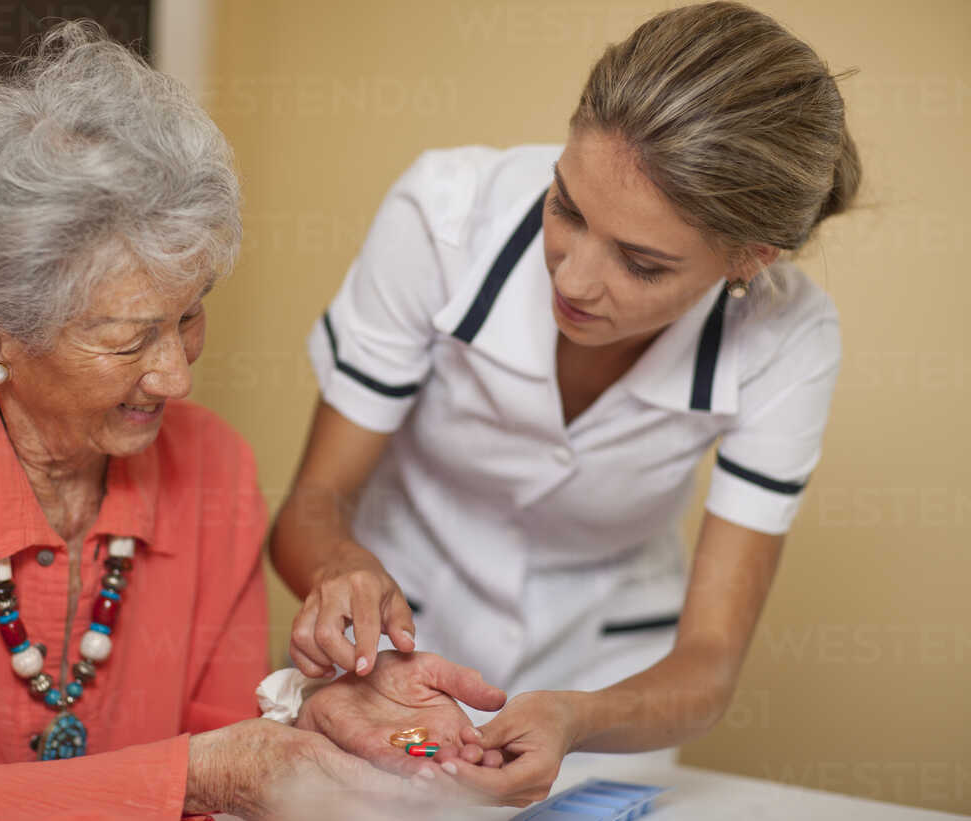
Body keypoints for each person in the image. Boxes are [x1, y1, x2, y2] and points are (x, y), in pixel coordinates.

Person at [0, 21, 506, 820]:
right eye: (127, 339)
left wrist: (309, 715)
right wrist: (188, 776)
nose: (176, 375)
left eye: (189, 316)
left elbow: (227, 753)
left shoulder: (210, 465)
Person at [272, 1, 860, 805]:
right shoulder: (442, 220)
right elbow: (310, 507)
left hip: (613, 687)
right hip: (392, 661)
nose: (574, 279)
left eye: (642, 263)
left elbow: (709, 663)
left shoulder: (790, 338)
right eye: (567, 209)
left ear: (749, 258)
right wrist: (343, 572)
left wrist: (576, 717)